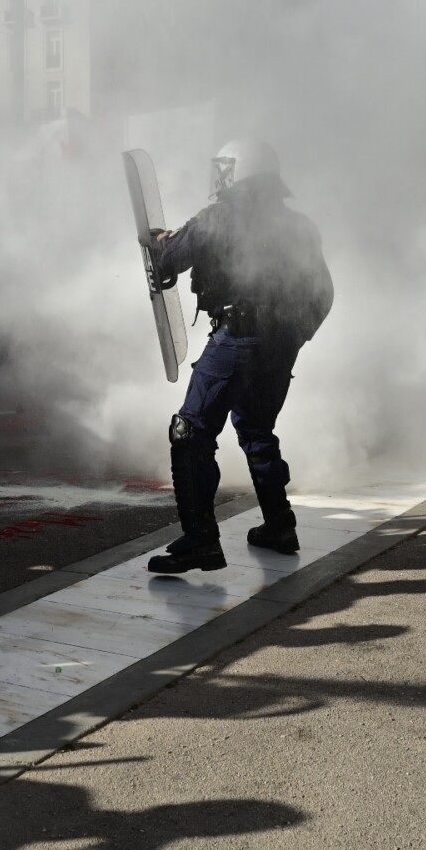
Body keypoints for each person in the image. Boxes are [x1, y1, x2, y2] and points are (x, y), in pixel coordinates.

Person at [143, 139, 333, 574]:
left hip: (237, 338)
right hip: (280, 345)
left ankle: (201, 542)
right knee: (256, 429)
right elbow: (323, 295)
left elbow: (168, 260)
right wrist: (291, 338)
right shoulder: (300, 226)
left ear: (232, 175)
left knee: (188, 433)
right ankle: (280, 527)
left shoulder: (219, 217)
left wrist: (159, 240)